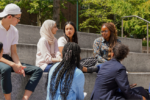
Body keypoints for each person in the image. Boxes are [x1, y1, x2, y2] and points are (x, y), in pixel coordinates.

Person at [0, 3, 43, 100]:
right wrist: (12, 64)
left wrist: (18, 65)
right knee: (6, 69)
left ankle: (25, 98)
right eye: (18, 18)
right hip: (1, 60)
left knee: (38, 70)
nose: (19, 20)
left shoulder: (14, 31)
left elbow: (14, 52)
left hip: (7, 58)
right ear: (10, 16)